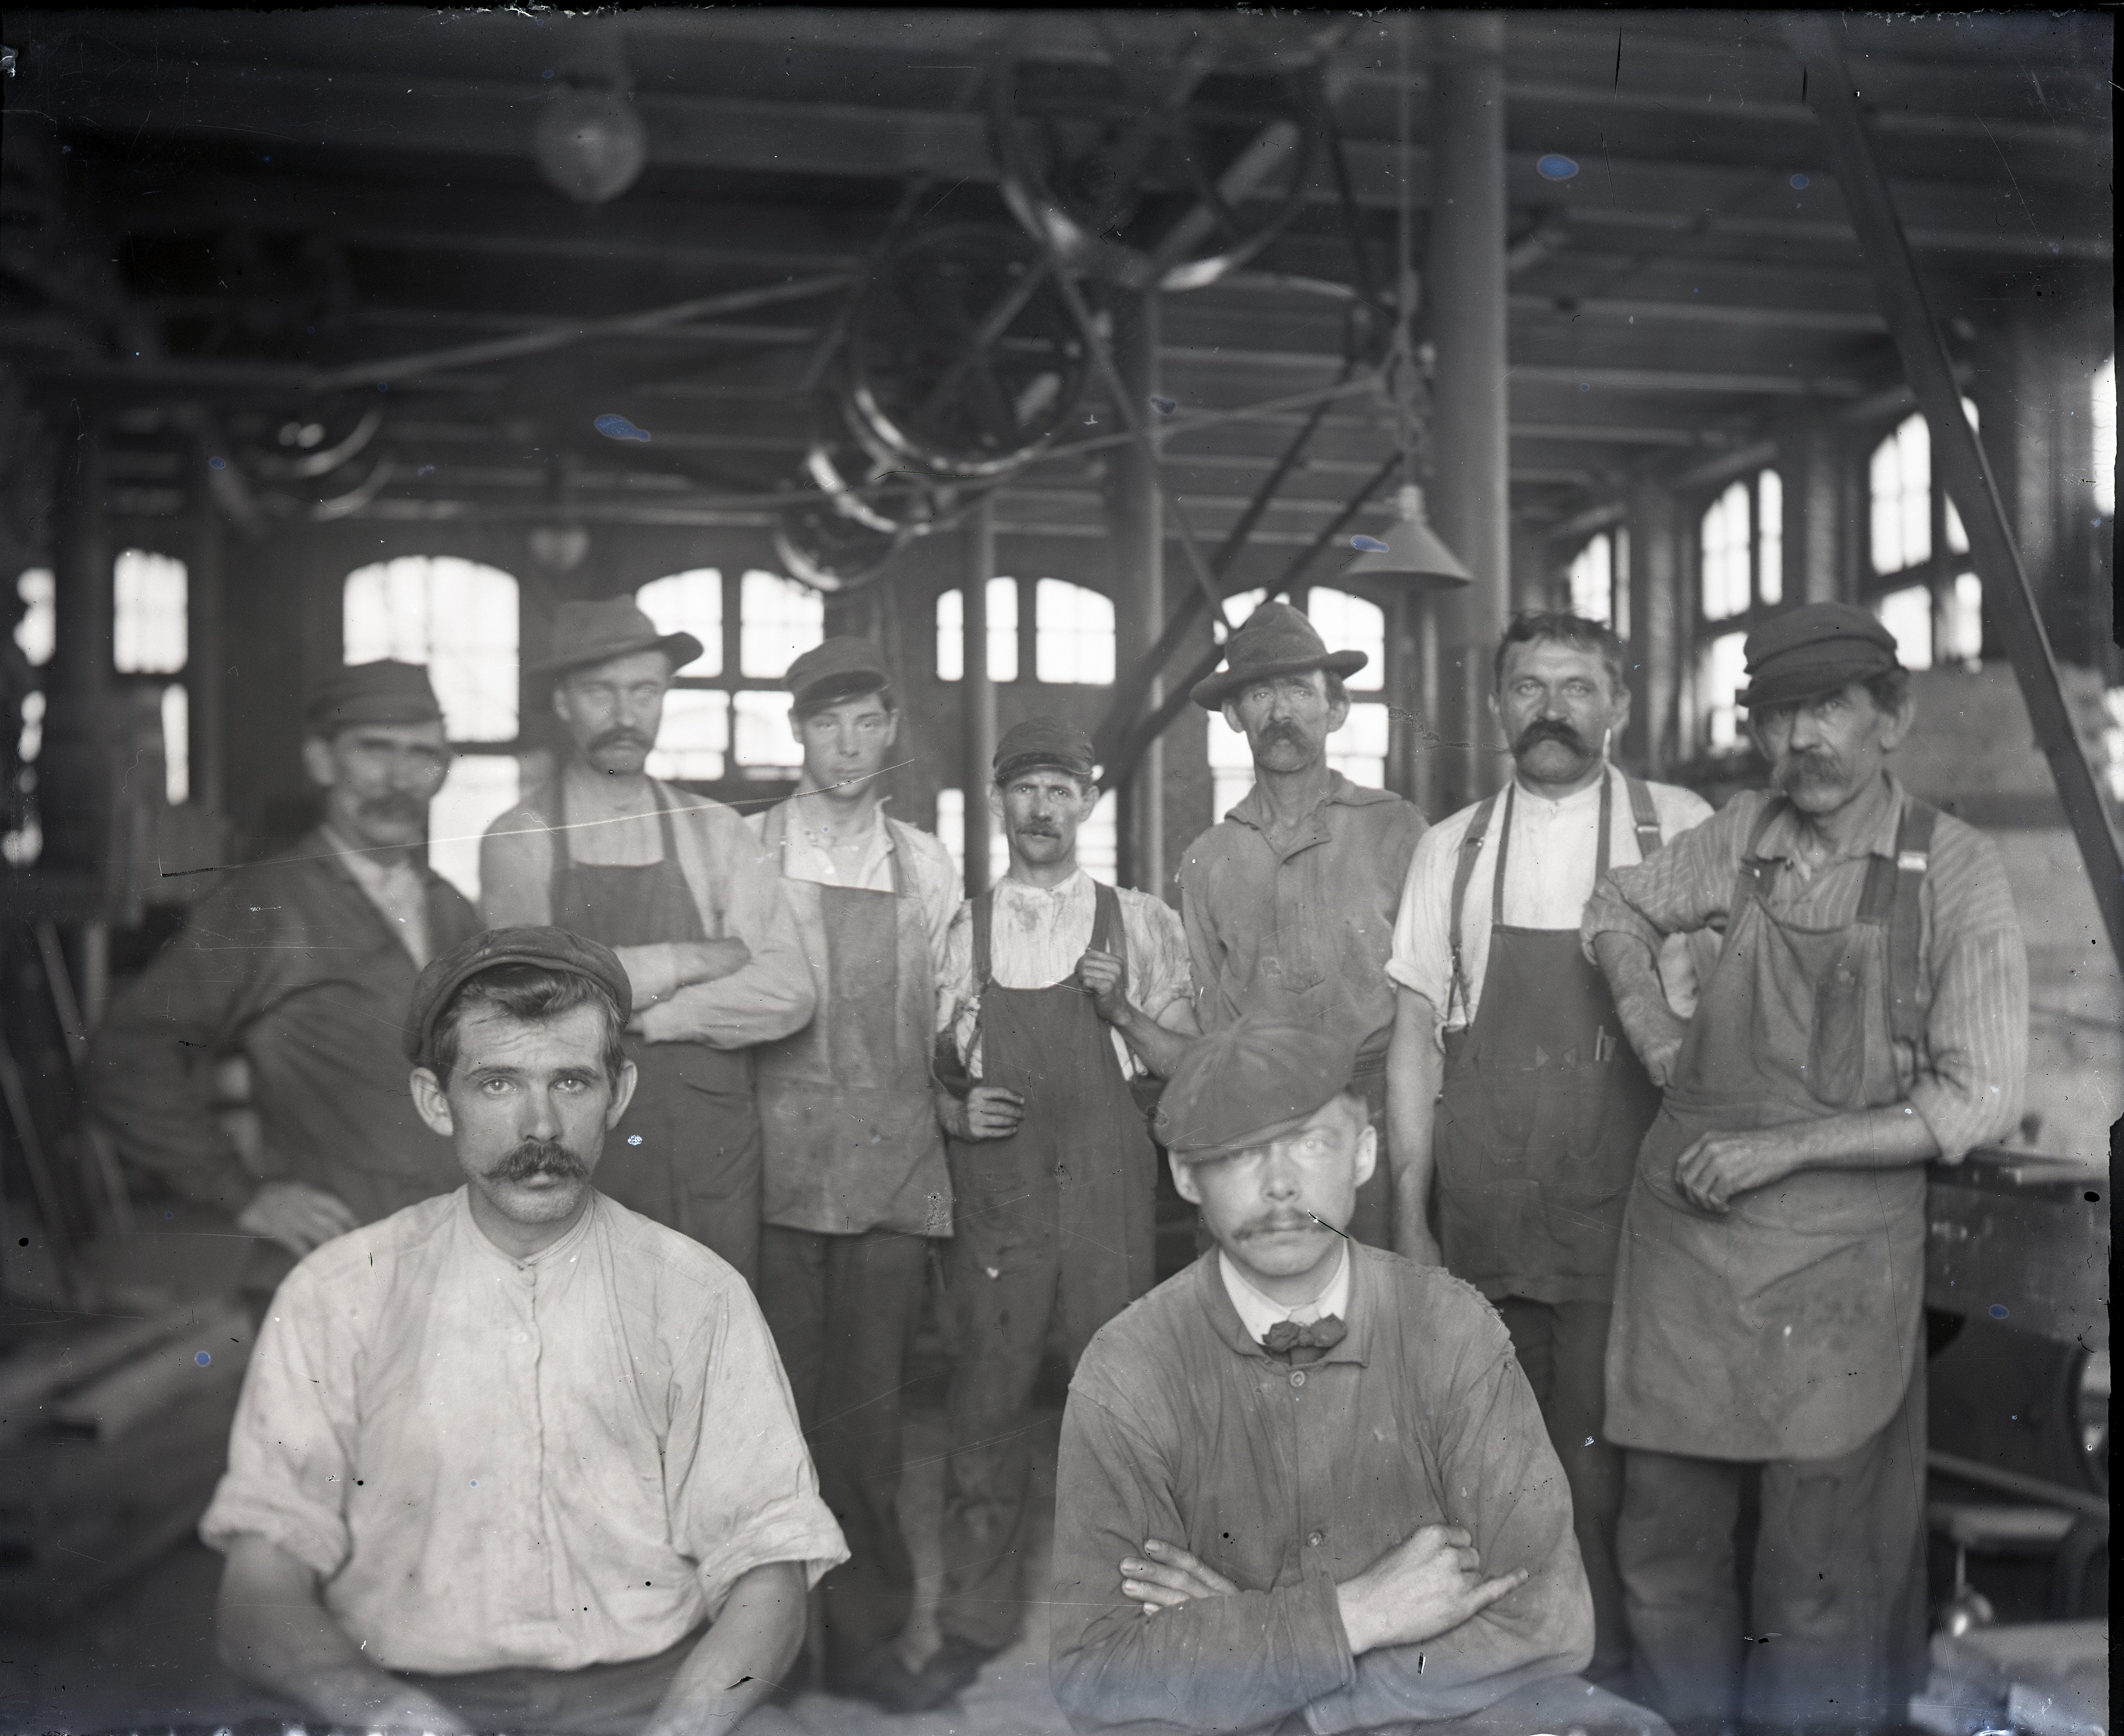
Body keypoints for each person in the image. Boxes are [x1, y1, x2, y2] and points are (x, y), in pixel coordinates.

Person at [202, 926, 846, 1736]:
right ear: (437, 1102)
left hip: (646, 1698)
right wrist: (390, 1714)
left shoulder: (699, 1297)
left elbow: (771, 1569)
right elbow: (259, 1582)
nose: (540, 1128)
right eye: (498, 1084)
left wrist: (680, 1729)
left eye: (571, 1081)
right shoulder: (337, 1294)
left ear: (618, 1092)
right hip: (402, 1699)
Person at [1582, 603, 2028, 1733]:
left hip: (1835, 1269)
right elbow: (1614, 905)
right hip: (1689, 1257)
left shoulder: (1951, 868)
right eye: (1778, 713)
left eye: (1828, 707)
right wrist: (1650, 1030)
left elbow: (1970, 1097)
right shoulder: (1740, 832)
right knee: (1663, 1554)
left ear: (1891, 716)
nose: (1801, 740)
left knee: (1813, 1579)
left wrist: (1780, 1147)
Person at [1048, 1019, 1669, 1736]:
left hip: (1405, 1714)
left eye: (1312, 1143)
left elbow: (1550, 1618)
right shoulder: (1128, 1367)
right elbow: (1096, 1670)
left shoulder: (1451, 1325)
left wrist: (1280, 1682)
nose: (1281, 1185)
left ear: (1365, 1154)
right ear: (1186, 1174)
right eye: (1239, 1153)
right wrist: (1356, 1615)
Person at [1383, 611, 1712, 1690]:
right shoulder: (1452, 848)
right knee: (1491, 1466)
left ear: (1617, 704)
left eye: (1578, 686)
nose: (1552, 708)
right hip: (1488, 1223)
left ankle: (1613, 1676)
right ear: (1495, 707)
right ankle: (1516, 1681)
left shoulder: (1681, 829)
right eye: (1528, 686)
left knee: (1620, 1467)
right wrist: (1407, 1226)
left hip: (1637, 1224)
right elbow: (1408, 1047)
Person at [921, 715, 1200, 1707]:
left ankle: (1124, 1630)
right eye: (1024, 790)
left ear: (1089, 803)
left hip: (1108, 1201)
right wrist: (957, 1107)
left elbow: (1186, 1063)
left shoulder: (1143, 921)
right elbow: (928, 1074)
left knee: (1122, 1419)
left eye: (1060, 790)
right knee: (986, 1416)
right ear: (998, 804)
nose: (1042, 809)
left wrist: (1123, 1007)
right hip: (1001, 1206)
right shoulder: (963, 928)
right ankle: (969, 1623)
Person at [92, 662, 481, 1287]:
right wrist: (243, 1192)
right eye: (375, 749)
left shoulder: (450, 906)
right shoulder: (265, 904)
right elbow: (126, 1055)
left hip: (452, 1254)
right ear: (323, 762)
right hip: (334, 1265)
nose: (399, 779)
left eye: (422, 755)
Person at [744, 638, 960, 1712]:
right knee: (763, 1427)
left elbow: (952, 1017)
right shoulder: (743, 849)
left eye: (866, 719)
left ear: (889, 730)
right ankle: (769, 1652)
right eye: (825, 719)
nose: (846, 740)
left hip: (889, 1178)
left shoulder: (926, 862)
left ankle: (868, 1645)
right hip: (770, 1180)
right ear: (798, 730)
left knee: (870, 1432)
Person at [481, 598, 816, 1285]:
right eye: (601, 691)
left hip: (710, 1147)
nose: (625, 713)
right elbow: (534, 996)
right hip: (581, 1144)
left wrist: (654, 1014)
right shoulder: (519, 838)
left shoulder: (716, 830)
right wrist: (690, 959)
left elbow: (788, 992)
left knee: (713, 1342)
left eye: (645, 691)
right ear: (564, 703)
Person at [1178, 601, 1426, 1247]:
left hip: (1374, 1102)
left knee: (1372, 1307)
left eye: (1298, 690)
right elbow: (1210, 1017)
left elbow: (1433, 1001)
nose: (1280, 712)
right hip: (1256, 1113)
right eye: (1260, 693)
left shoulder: (1396, 828)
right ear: (1234, 715)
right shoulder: (1209, 856)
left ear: (1335, 709)